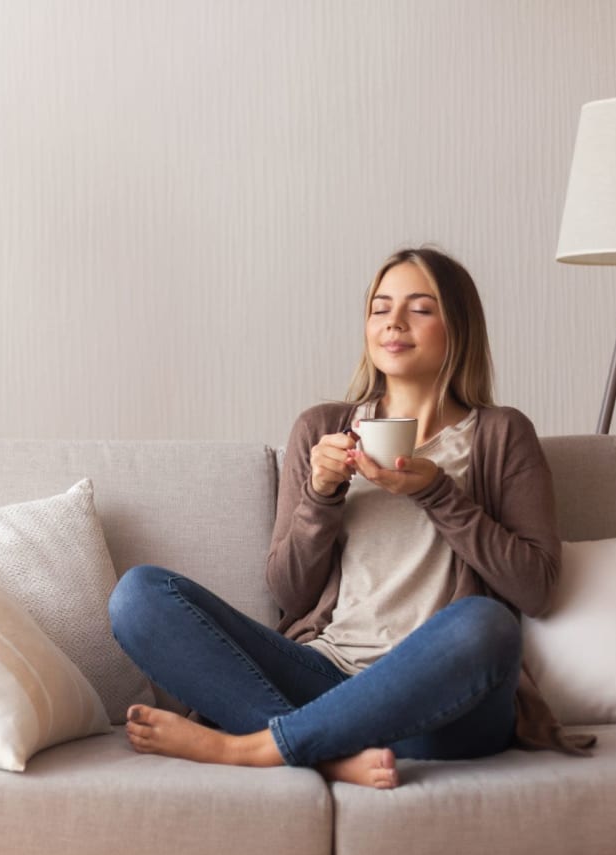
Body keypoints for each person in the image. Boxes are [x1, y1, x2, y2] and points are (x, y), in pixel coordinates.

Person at [108, 246, 586, 791]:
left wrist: (437, 491)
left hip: (441, 708)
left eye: (420, 309)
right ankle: (327, 755)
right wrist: (320, 494)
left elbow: (537, 589)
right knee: (139, 595)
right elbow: (290, 592)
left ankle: (249, 746)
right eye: (380, 309)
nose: (394, 324)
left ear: (459, 326)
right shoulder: (322, 429)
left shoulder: (502, 435)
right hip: (326, 680)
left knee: (487, 624)